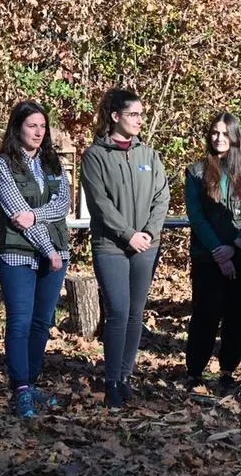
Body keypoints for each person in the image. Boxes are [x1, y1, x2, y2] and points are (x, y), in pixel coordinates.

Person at [81, 88, 169, 410]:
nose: (139, 121)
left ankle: (126, 376)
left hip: (146, 244)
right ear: (116, 116)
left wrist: (147, 233)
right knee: (117, 312)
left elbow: (162, 198)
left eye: (142, 115)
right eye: (133, 114)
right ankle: (111, 381)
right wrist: (128, 234)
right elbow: (100, 204)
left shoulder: (149, 155)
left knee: (135, 313)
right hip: (111, 245)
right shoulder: (95, 156)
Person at [0, 101, 70, 418]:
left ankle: (32, 383)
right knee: (20, 323)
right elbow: (15, 216)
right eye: (31, 125)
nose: (38, 132)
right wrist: (47, 248)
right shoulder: (3, 164)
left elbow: (62, 205)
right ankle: (20, 388)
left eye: (42, 126)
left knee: (42, 324)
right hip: (18, 255)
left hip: (56, 256)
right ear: (17, 128)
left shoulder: (54, 163)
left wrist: (35, 214)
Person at [185, 113, 241, 391]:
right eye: (214, 133)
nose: (219, 138)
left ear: (235, 136)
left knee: (235, 315)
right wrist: (218, 250)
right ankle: (194, 370)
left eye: (224, 133)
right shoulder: (196, 171)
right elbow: (196, 215)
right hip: (208, 256)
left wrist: (236, 245)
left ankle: (228, 370)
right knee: (205, 314)